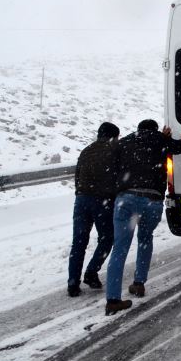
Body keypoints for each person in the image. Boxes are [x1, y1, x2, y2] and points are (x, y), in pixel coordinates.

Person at [104, 120, 181, 315]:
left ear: (138, 129)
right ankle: (139, 283)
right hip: (151, 200)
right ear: (154, 130)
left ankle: (112, 299)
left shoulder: (125, 142)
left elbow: (111, 169)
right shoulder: (160, 140)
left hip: (125, 199)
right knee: (145, 239)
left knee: (119, 248)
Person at [67, 122, 120, 297]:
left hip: (81, 200)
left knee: (79, 242)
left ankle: (73, 283)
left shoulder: (86, 150)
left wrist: (82, 193)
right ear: (113, 136)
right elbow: (119, 177)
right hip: (102, 201)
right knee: (107, 238)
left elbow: (77, 176)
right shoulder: (114, 150)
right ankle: (91, 272)